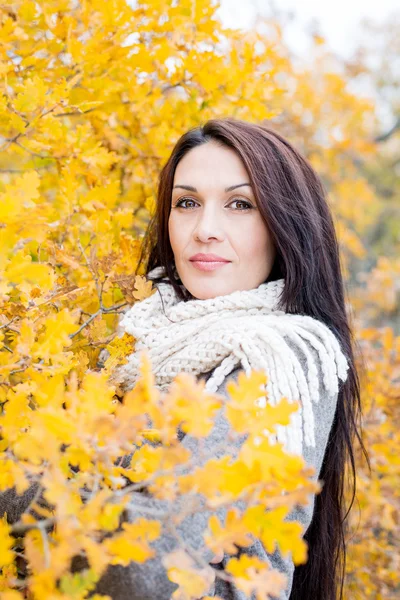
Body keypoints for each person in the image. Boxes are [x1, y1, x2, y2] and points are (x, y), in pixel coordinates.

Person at [0, 117, 368, 600]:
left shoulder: (281, 356)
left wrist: (15, 480)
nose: (205, 230)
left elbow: (147, 564)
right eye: (187, 203)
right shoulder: (139, 341)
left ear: (286, 225)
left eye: (240, 204)